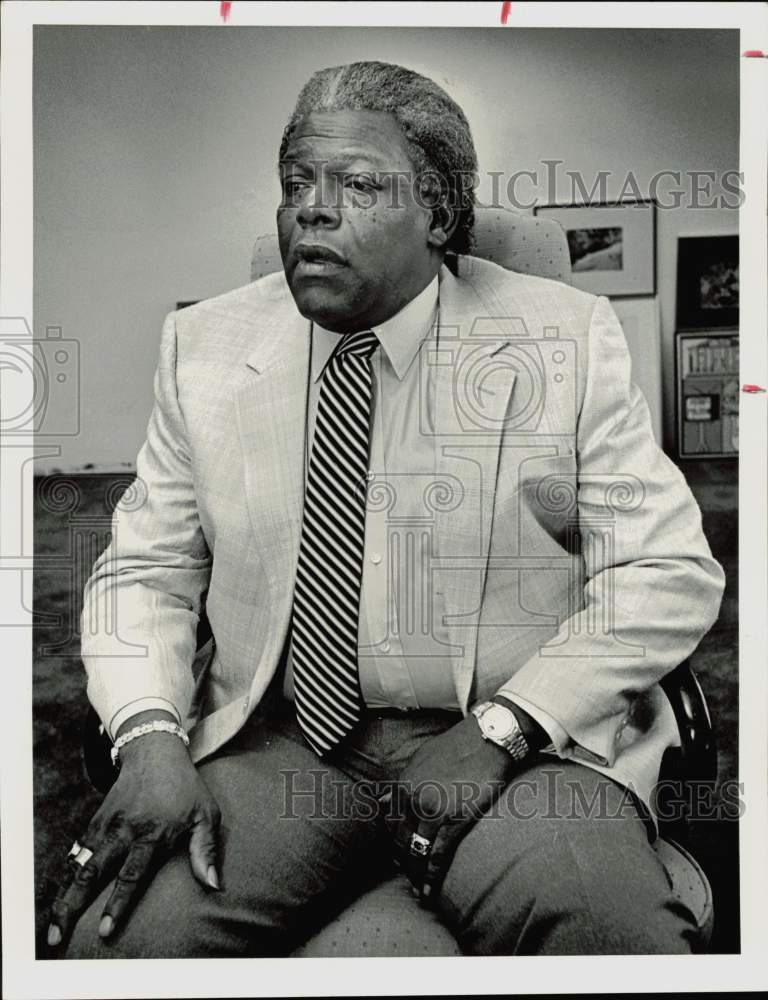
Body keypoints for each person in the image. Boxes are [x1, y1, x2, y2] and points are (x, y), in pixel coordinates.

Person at [52, 60, 725, 958]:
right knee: (114, 944)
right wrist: (146, 735)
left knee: (611, 933)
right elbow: (145, 569)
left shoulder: (561, 336)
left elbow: (664, 568)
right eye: (296, 184)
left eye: (359, 186)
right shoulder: (205, 346)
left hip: (508, 740)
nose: (311, 212)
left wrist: (505, 727)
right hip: (282, 739)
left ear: (441, 218)